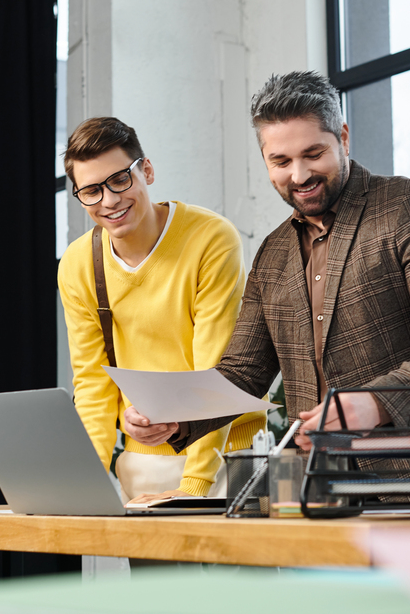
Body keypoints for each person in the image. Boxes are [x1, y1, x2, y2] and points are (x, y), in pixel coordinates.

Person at [123, 71, 410, 464]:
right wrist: (172, 416)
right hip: (329, 484)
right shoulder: (272, 253)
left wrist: (376, 403)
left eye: (313, 154)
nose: (299, 176)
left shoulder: (409, 206)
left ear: (344, 139)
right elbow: (244, 374)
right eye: (280, 161)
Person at [57, 117, 265, 505]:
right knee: (158, 569)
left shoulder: (209, 238)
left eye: (120, 180)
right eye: (91, 191)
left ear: (146, 170)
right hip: (145, 461)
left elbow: (214, 368)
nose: (109, 201)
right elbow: (92, 385)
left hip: (230, 457)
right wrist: (84, 485)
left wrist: (195, 486)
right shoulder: (77, 264)